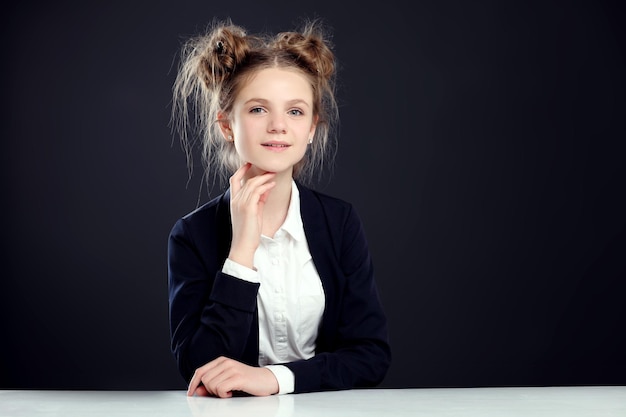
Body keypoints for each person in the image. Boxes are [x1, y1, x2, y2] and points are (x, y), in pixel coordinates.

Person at [167, 18, 391, 398]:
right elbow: (197, 368)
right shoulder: (192, 235)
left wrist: (273, 379)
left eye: (295, 111)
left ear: (312, 129)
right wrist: (241, 253)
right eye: (257, 110)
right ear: (226, 125)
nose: (277, 126)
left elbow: (370, 356)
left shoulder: (339, 222)